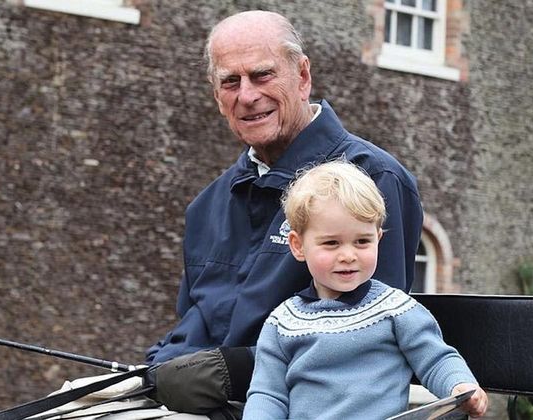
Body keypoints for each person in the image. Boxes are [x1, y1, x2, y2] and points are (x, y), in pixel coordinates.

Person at [146, 10, 424, 414]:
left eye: (262, 75)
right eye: (230, 82)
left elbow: (370, 337)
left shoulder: (372, 178)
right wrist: (157, 368)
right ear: (216, 95)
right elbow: (193, 328)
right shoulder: (206, 206)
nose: (247, 95)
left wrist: (231, 370)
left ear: (303, 76)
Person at [241, 160, 487, 419]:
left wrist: (460, 384)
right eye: (331, 243)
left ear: (378, 239)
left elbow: (435, 359)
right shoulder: (283, 323)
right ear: (298, 246)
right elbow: (267, 395)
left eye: (362, 241)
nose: (348, 255)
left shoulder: (395, 309)